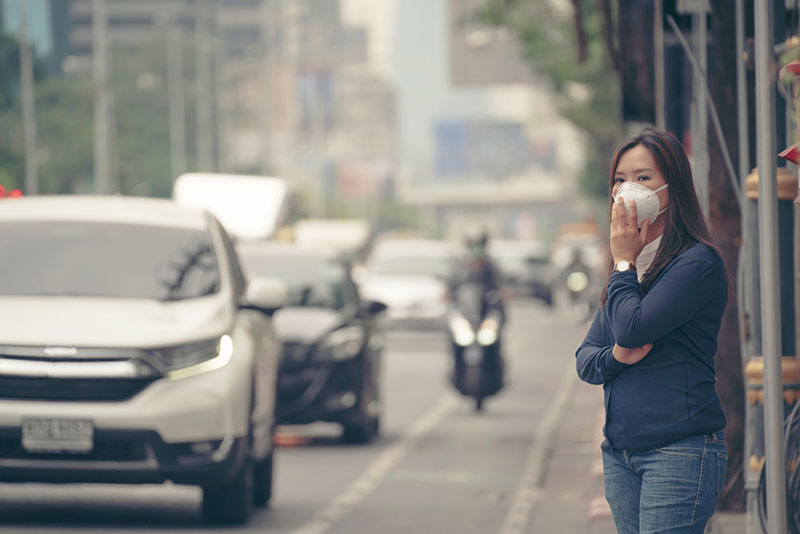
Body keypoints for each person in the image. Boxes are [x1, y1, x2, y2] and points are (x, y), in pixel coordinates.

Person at [575, 128, 728, 534]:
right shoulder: (628, 269)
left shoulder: (696, 264)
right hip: (622, 453)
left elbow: (631, 326)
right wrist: (616, 357)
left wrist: (624, 263)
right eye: (620, 179)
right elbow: (587, 360)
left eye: (642, 178)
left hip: (678, 450)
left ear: (671, 185)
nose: (628, 189)